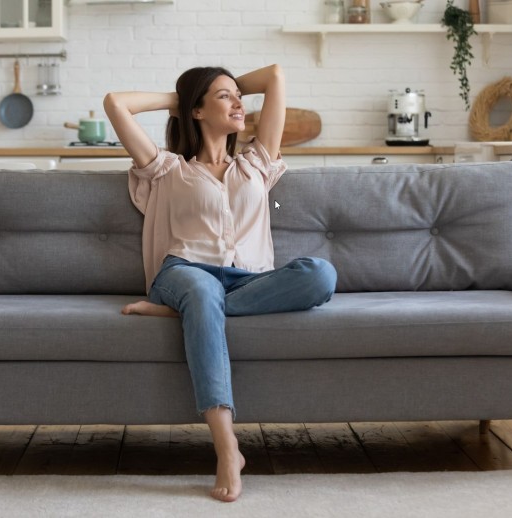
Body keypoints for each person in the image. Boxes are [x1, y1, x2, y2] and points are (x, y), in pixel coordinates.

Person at [103, 64, 337, 503]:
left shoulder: (257, 164)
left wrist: (220, 93)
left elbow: (275, 77)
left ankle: (190, 313)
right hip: (184, 272)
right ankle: (227, 446)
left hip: (248, 280)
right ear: (195, 111)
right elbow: (116, 103)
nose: (239, 103)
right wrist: (180, 98)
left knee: (321, 275)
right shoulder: (166, 169)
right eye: (225, 97)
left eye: (238, 96)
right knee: (201, 290)